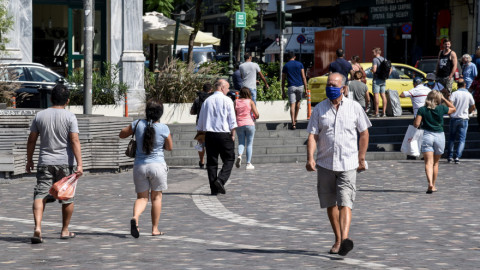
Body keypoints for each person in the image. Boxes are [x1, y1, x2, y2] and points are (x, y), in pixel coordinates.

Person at [306, 72, 371, 256]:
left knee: (345, 202)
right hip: (325, 163)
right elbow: (313, 135)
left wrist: (361, 157)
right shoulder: (319, 109)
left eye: (334, 85)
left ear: (343, 88)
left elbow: (364, 133)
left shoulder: (354, 107)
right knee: (330, 203)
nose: (330, 87)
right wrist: (310, 157)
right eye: (329, 84)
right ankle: (338, 238)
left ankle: (344, 239)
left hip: (348, 162)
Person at [26, 84, 83, 244]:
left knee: (40, 194)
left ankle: (38, 228)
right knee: (67, 197)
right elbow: (74, 140)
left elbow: (31, 139)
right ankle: (65, 230)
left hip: (45, 161)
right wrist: (80, 164)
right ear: (68, 100)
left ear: (51, 98)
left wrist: (29, 159)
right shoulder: (70, 117)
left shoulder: (40, 116)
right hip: (65, 162)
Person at [119, 99, 173, 238]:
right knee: (156, 198)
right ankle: (155, 229)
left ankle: (135, 218)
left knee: (142, 198)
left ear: (146, 112)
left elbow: (122, 134)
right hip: (157, 166)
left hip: (140, 166)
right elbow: (169, 147)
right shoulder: (164, 128)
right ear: (160, 113)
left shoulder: (137, 124)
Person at [197, 79, 237, 195]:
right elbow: (232, 120)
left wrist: (200, 136)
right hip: (224, 134)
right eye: (228, 88)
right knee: (229, 159)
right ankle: (220, 180)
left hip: (210, 135)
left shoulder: (207, 101)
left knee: (212, 162)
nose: (228, 90)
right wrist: (233, 134)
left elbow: (201, 121)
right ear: (222, 87)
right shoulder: (228, 100)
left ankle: (213, 189)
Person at [413, 91, 455, 194]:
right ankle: (434, 185)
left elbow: (416, 124)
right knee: (435, 163)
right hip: (439, 136)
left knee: (428, 163)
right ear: (438, 99)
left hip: (427, 135)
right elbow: (453, 109)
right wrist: (445, 99)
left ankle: (430, 184)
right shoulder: (441, 108)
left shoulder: (422, 109)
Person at [447, 79, 475, 163]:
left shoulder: (454, 94)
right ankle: (457, 157)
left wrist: (450, 114)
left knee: (452, 138)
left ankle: (450, 156)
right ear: (465, 85)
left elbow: (450, 104)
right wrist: (468, 111)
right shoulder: (468, 94)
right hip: (464, 118)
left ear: (457, 85)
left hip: (454, 117)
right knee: (462, 139)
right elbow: (473, 106)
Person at [235, 87, 259, 170]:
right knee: (249, 144)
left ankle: (239, 155)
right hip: (249, 124)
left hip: (239, 124)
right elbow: (257, 114)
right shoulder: (250, 102)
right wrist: (256, 116)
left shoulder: (236, 102)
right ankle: (248, 163)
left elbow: (234, 114)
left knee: (241, 142)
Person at [282, 52, 308, 130]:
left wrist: (282, 91)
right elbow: (303, 77)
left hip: (291, 86)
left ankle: (293, 123)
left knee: (292, 105)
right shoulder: (300, 64)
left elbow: (283, 79)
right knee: (298, 102)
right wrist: (306, 89)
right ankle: (295, 118)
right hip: (300, 86)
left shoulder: (286, 66)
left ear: (287, 58)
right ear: (295, 57)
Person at [190, 83, 213, 169]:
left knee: (201, 143)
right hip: (210, 124)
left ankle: (202, 161)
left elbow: (192, 112)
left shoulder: (197, 99)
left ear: (203, 90)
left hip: (200, 124)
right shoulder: (211, 99)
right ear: (210, 90)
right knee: (210, 144)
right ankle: (209, 162)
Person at [372, 47, 390, 117]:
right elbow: (390, 68)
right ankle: (384, 112)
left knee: (376, 95)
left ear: (376, 52)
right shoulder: (384, 59)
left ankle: (377, 113)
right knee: (383, 95)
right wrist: (387, 75)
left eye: (373, 52)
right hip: (383, 79)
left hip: (376, 79)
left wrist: (372, 70)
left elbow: (374, 70)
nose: (372, 53)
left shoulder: (375, 59)